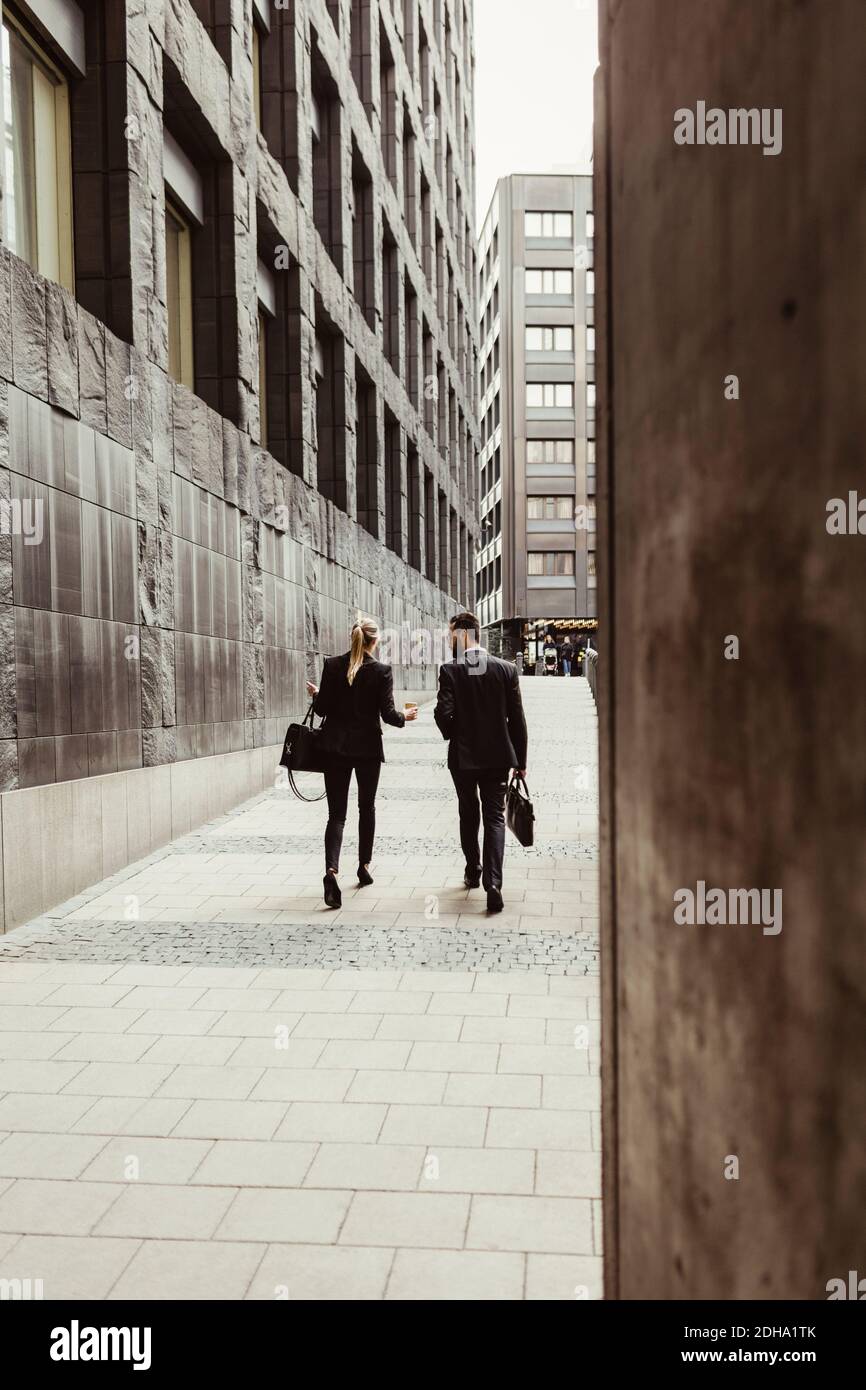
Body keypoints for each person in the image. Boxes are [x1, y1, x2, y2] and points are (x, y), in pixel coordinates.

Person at [306, 617, 417, 909]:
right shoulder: (382, 672)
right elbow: (388, 714)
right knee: (366, 807)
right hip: (367, 749)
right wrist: (406, 717)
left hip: (335, 750)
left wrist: (317, 693)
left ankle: (331, 871)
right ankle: (364, 866)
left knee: (336, 815)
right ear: (374, 641)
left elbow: (322, 709)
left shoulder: (331, 666)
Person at [434, 612, 528, 914]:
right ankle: (494, 885)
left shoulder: (451, 670)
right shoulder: (506, 670)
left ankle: (473, 868)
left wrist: (451, 729)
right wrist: (521, 761)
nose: (450, 640)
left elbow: (443, 714)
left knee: (467, 811)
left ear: (462, 635)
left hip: (463, 758)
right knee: (495, 818)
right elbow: (518, 720)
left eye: (451, 635)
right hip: (498, 756)